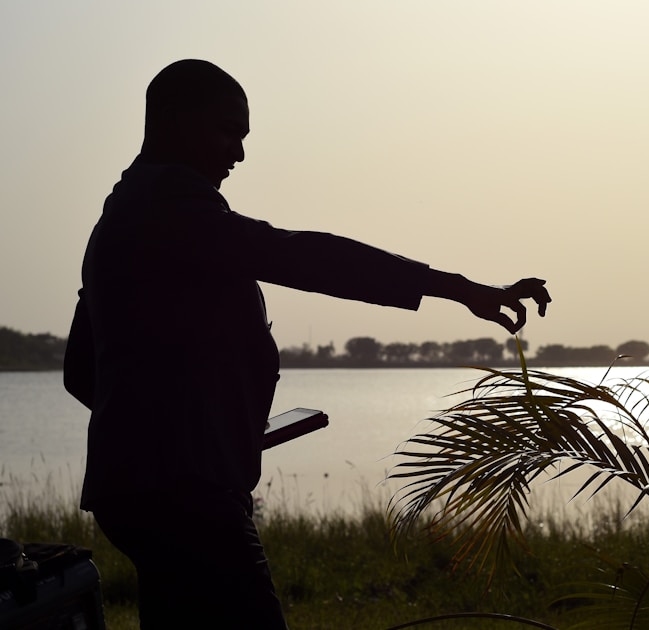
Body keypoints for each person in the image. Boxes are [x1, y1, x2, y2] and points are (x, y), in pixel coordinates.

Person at [63, 59, 551, 629]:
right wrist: (457, 288)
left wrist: (193, 427)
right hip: (187, 494)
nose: (238, 155)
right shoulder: (168, 207)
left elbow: (81, 370)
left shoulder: (123, 216)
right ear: (171, 121)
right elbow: (305, 257)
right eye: (227, 132)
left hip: (150, 489)